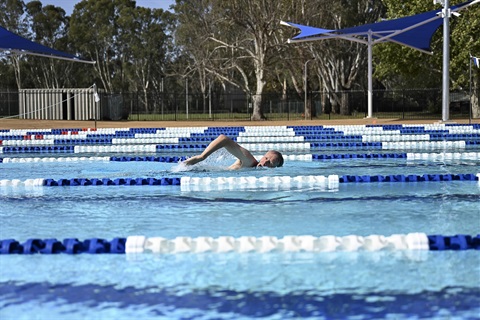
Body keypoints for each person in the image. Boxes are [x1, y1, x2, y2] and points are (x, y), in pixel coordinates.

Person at [182, 134, 284, 170]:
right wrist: (202, 157)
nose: (265, 162)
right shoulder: (249, 161)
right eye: (266, 158)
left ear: (273, 169)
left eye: (270, 163)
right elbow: (224, 139)